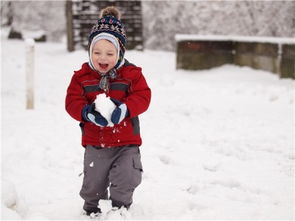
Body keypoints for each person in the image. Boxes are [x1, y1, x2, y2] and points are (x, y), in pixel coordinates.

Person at [65, 6, 151, 216]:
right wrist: (87, 112)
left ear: (120, 52)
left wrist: (124, 109)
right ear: (89, 51)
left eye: (110, 53)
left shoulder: (132, 75)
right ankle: (91, 210)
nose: (102, 58)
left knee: (126, 177)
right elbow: (72, 101)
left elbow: (143, 96)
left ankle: (120, 210)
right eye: (97, 52)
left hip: (126, 143)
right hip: (96, 143)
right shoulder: (82, 77)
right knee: (93, 185)